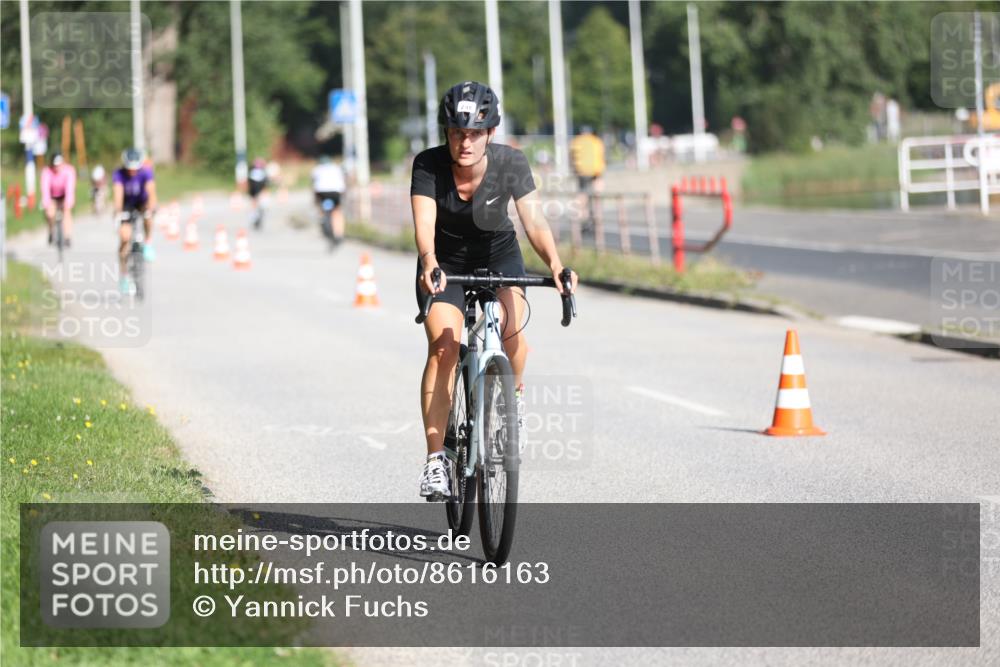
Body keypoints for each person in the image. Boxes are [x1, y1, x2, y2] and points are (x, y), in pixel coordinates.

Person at [412, 80, 578, 499]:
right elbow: (425, 228)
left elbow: (534, 223)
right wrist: (429, 262)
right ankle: (436, 461)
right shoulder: (428, 165)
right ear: (445, 133)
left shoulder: (511, 163)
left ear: (490, 133)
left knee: (514, 331)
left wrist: (556, 266)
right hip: (445, 263)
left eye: (473, 134)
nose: (464, 143)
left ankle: (511, 401)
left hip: (498, 254)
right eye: (456, 133)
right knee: (444, 347)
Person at [112, 148, 158, 294]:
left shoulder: (146, 172)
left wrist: (152, 207)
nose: (132, 171)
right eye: (129, 169)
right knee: (125, 238)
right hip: (126, 205)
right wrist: (118, 213)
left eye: (135, 168)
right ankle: (124, 276)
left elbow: (151, 192)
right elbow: (118, 196)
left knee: (149, 217)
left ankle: (148, 242)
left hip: (141, 203)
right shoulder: (119, 175)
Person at [569, 125, 606, 227]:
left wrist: (574, 169)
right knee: (597, 194)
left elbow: (571, 157)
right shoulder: (596, 141)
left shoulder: (576, 141)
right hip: (596, 171)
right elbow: (602, 155)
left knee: (582, 194)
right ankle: (597, 217)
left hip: (581, 172)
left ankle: (582, 218)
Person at [41, 152, 77, 247]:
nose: (57, 167)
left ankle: (67, 236)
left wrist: (68, 202)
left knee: (67, 211)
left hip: (64, 195)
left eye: (59, 165)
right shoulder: (47, 172)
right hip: (52, 196)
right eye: (55, 165)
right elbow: (45, 190)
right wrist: (47, 204)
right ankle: (51, 231)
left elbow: (70, 188)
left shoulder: (69, 171)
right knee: (50, 213)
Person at [311, 156, 346, 245]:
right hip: (335, 191)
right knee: (337, 211)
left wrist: (314, 199)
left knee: (321, 207)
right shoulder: (336, 168)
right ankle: (339, 233)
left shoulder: (317, 169)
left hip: (321, 191)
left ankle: (322, 218)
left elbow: (313, 183)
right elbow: (342, 181)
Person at [247, 157, 269, 230]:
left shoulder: (252, 171)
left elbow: (250, 183)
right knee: (258, 206)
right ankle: (255, 218)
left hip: (254, 191)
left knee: (255, 205)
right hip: (257, 191)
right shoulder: (261, 172)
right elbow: (265, 183)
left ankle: (254, 218)